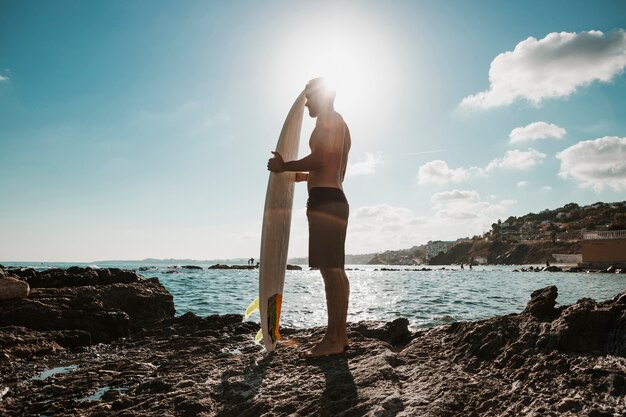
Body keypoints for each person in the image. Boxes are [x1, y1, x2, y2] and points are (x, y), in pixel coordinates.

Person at [267, 78, 351, 357]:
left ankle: (332, 340)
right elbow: (329, 168)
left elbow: (318, 160)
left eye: (310, 97)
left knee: (330, 271)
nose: (306, 103)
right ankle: (341, 334)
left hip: (325, 202)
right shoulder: (342, 126)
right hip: (336, 198)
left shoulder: (326, 121)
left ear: (323, 96)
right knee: (337, 270)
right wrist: (293, 176)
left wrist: (283, 166)